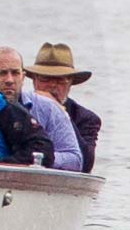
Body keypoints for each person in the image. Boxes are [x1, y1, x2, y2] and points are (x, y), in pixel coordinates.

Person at [0, 47, 83, 171]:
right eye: (2, 73)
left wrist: (39, 158)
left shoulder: (49, 108)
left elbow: (75, 159)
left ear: (23, 77)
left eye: (15, 73)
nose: (9, 80)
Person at [24, 42, 101, 173]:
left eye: (61, 80)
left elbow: (85, 164)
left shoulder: (86, 119)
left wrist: (60, 112)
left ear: (71, 82)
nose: (53, 85)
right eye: (45, 78)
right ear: (34, 80)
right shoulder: (19, 108)